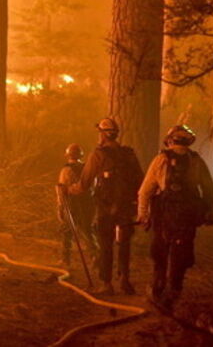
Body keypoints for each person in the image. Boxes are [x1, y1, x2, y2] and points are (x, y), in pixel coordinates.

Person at [137, 125, 213, 305]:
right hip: (188, 215)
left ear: (170, 140)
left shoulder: (161, 159)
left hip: (164, 215)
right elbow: (209, 190)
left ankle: (157, 286)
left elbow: (145, 191)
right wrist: (209, 213)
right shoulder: (196, 160)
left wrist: (143, 214)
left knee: (160, 251)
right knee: (183, 250)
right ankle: (175, 289)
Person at [69, 118, 144, 295]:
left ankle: (106, 284)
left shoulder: (98, 154)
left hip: (106, 207)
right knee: (124, 244)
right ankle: (124, 280)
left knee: (106, 244)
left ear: (103, 135)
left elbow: (84, 183)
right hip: (126, 207)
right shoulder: (129, 154)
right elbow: (140, 179)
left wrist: (68, 189)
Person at [57, 143, 95, 266]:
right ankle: (96, 257)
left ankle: (65, 259)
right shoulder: (87, 168)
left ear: (68, 155)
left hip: (72, 204)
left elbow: (61, 190)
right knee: (86, 230)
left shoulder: (66, 170)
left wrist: (60, 207)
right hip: (86, 204)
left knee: (67, 231)